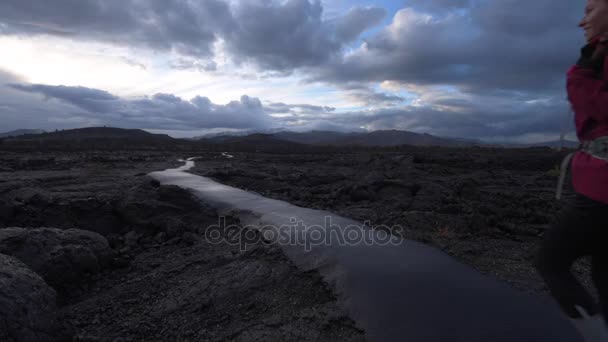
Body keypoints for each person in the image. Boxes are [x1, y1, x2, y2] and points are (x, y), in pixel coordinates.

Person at [536, 1, 608, 341]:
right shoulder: (598, 56)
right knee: (604, 273)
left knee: (551, 261)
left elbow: (596, 109)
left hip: (602, 190)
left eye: (591, 9)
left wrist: (581, 74)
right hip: (597, 182)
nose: (582, 21)